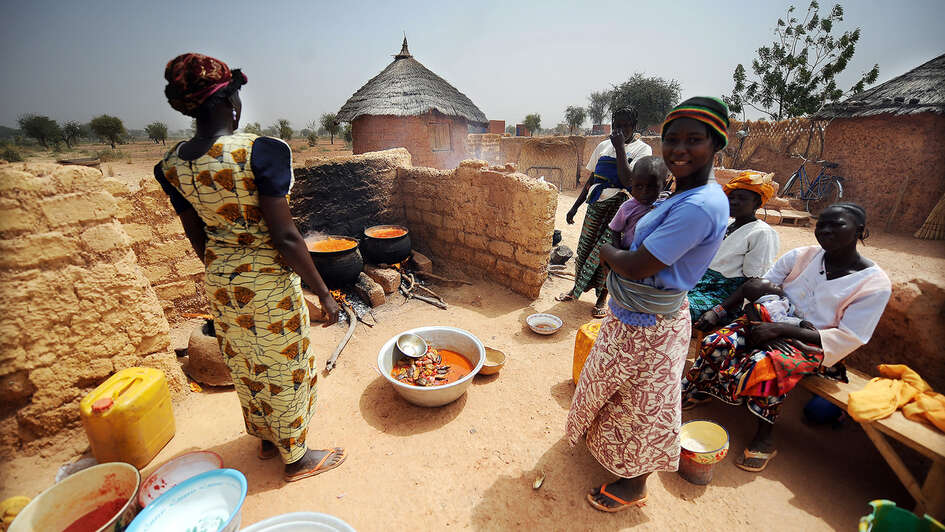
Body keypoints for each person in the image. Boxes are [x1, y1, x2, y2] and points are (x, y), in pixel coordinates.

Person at [155, 53, 346, 482]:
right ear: (228, 100)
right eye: (237, 96)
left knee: (245, 361)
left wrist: (224, 266)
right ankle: (296, 458)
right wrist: (323, 293)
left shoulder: (171, 165)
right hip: (266, 283)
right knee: (283, 365)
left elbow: (196, 235)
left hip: (220, 281)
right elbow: (286, 237)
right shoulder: (261, 151)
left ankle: (264, 437)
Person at [566, 97, 730, 512]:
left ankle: (634, 486)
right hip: (635, 316)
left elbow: (637, 266)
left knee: (644, 407)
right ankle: (607, 451)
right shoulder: (682, 194)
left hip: (651, 324)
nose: (679, 149)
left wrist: (606, 250)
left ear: (716, 143)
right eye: (672, 139)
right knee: (618, 393)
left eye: (693, 139)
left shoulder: (699, 205)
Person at [683, 202, 892, 472]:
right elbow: (756, 289)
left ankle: (764, 438)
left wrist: (780, 331)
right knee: (717, 342)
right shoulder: (801, 256)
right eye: (821, 225)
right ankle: (703, 389)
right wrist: (764, 322)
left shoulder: (873, 284)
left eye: (836, 225)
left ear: (859, 231)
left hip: (815, 342)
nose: (825, 231)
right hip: (768, 320)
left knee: (766, 366)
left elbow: (850, 336)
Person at [558, 107, 653, 318]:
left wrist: (620, 148)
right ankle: (576, 289)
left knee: (606, 256)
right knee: (584, 251)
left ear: (634, 126)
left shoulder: (642, 150)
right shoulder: (602, 146)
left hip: (618, 210)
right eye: (616, 125)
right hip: (595, 206)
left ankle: (602, 298)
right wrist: (575, 207)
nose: (620, 129)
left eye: (625, 125)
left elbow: (629, 181)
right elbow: (592, 180)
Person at [687, 171, 780, 322]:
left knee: (675, 311)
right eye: (731, 197)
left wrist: (719, 311)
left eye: (742, 198)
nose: (734, 202)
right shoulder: (728, 224)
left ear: (757, 203)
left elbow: (752, 283)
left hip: (722, 295)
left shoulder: (762, 233)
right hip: (699, 283)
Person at [607, 156, 668, 250]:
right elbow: (615, 230)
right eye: (639, 186)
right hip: (628, 251)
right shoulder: (627, 207)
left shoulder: (666, 204)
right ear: (631, 183)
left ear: (663, 186)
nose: (644, 192)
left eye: (651, 187)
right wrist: (618, 251)